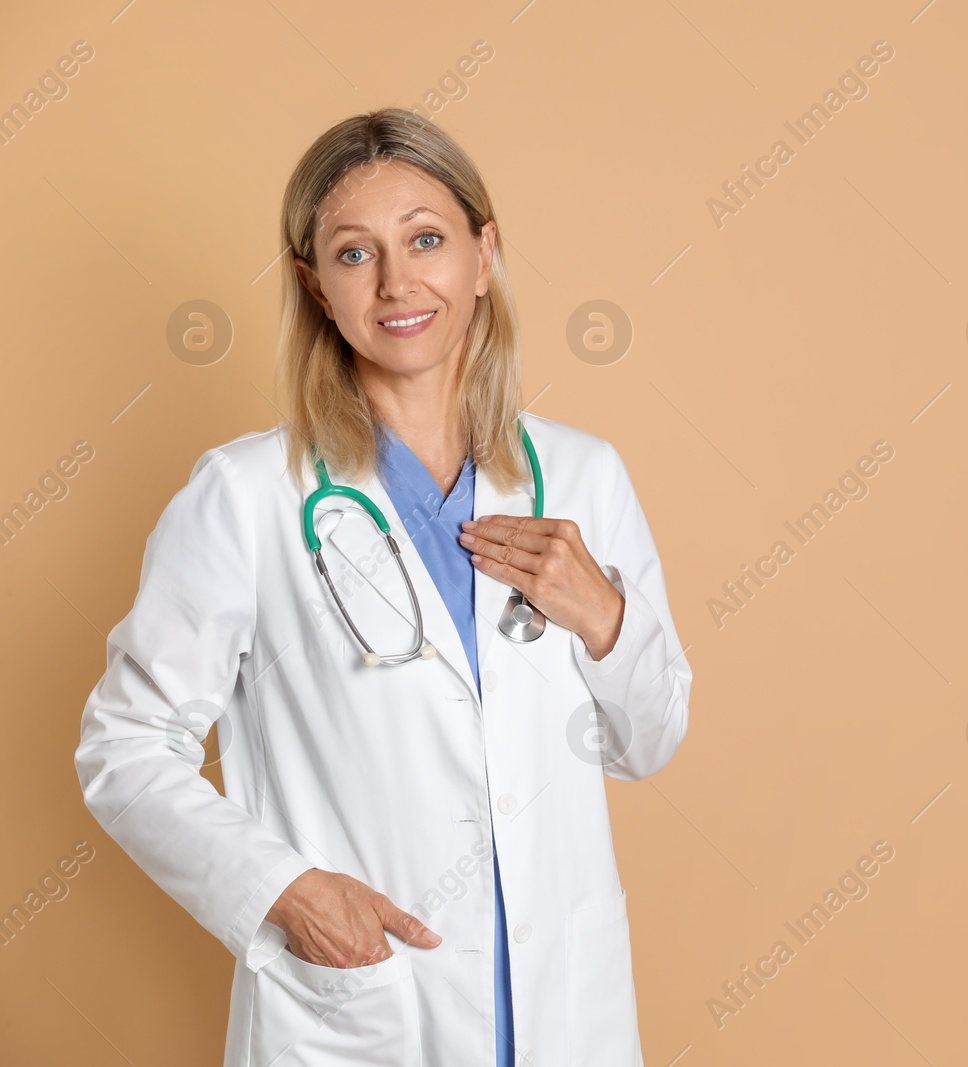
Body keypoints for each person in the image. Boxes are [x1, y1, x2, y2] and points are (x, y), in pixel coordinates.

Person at [73, 108, 691, 1067]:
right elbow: (124, 747)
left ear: (483, 255)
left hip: (563, 1015)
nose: (399, 282)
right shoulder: (246, 497)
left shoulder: (583, 477)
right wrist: (283, 890)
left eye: (428, 240)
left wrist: (605, 618)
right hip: (364, 1014)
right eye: (355, 254)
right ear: (314, 285)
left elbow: (647, 743)